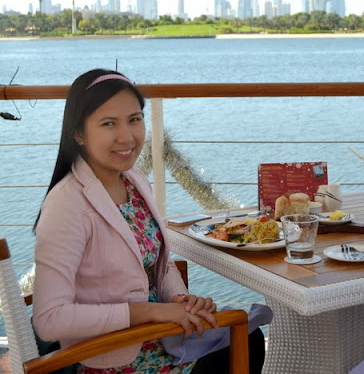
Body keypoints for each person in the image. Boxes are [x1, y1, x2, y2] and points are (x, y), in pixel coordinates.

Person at [32, 69, 265, 373]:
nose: (126, 137)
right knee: (239, 343)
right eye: (108, 124)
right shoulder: (67, 204)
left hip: (160, 341)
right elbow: (49, 320)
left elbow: (159, 266)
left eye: (134, 119)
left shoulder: (134, 180)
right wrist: (149, 312)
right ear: (78, 134)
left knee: (248, 336)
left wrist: (180, 300)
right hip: (112, 359)